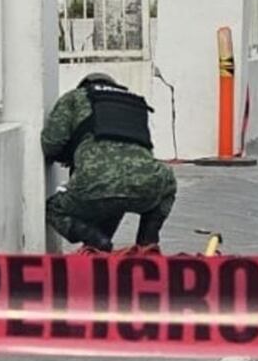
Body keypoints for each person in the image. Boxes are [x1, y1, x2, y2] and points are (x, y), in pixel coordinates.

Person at [42, 73, 177, 254]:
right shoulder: (133, 102)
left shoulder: (74, 98)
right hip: (146, 182)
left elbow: (51, 143)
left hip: (93, 182)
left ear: (84, 85)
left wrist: (70, 155)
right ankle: (147, 243)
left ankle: (95, 240)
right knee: (166, 185)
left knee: (53, 209)